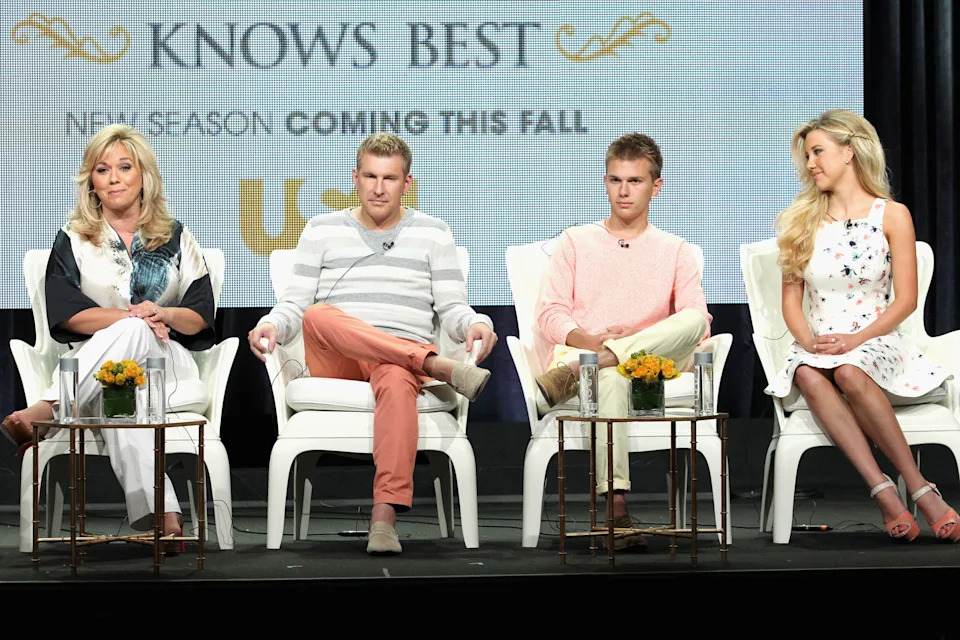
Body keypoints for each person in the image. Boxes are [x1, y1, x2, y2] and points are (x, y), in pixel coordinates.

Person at [248, 132, 497, 555]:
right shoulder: (321, 229)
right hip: (338, 354)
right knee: (317, 315)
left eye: (390, 178)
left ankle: (384, 517)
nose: (379, 188)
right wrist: (270, 324)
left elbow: (454, 308)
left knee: (399, 375)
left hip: (396, 361)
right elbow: (293, 305)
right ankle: (433, 365)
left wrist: (478, 322)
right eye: (370, 176)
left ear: (408, 182)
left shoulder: (434, 233)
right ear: (355, 178)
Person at [0, 124, 216, 541]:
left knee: (135, 344)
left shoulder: (174, 236)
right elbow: (66, 316)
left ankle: (50, 407)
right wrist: (131, 319)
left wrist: (162, 311)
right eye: (102, 169)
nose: (114, 177)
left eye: (124, 167)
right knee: (120, 387)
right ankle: (165, 518)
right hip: (101, 370)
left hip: (167, 364)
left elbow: (201, 317)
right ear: (92, 182)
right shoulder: (75, 238)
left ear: (143, 176)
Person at [766, 109, 959, 542]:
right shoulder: (799, 222)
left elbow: (905, 299)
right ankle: (883, 491)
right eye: (807, 156)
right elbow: (790, 304)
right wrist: (808, 341)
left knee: (851, 371)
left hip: (875, 339)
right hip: (818, 344)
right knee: (808, 373)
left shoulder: (893, 215)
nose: (811, 164)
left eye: (818, 152)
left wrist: (856, 339)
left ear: (849, 152)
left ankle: (919, 486)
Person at [534, 133, 711, 548]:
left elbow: (697, 323)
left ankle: (600, 363)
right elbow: (551, 313)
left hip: (649, 363)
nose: (624, 191)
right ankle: (616, 507)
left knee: (690, 319)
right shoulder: (575, 241)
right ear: (605, 181)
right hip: (588, 354)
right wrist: (592, 343)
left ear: (656, 186)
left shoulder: (677, 250)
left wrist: (631, 341)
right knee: (609, 378)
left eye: (634, 181)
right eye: (615, 180)